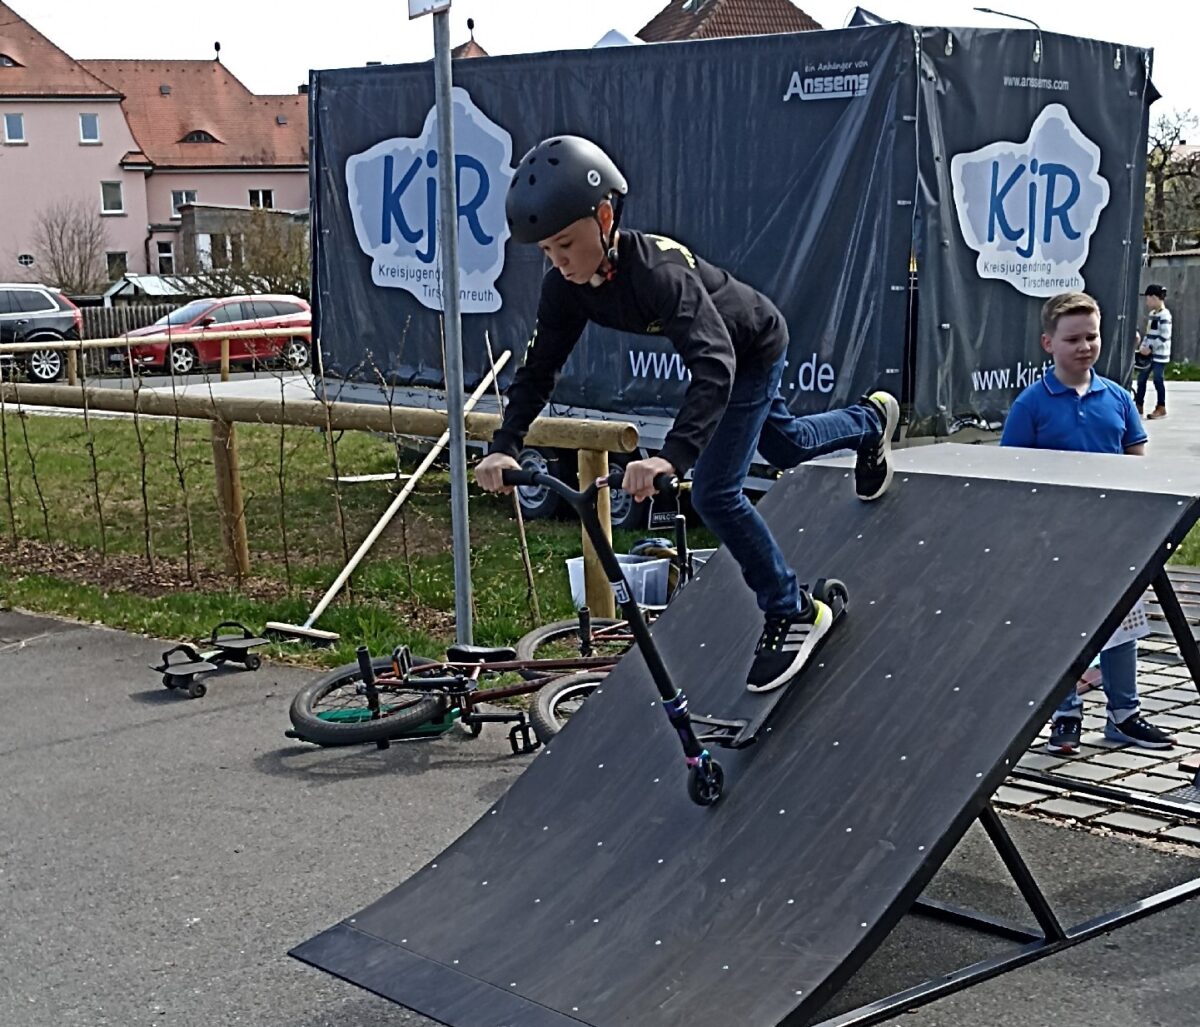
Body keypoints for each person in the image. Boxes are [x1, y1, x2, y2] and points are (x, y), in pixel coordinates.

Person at [474, 135, 899, 692]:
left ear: (605, 217)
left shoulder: (657, 274)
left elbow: (716, 364)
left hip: (751, 347)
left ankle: (793, 609)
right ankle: (871, 421)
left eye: (566, 245)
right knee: (787, 445)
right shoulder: (567, 288)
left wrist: (672, 457)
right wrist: (505, 442)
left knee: (715, 493)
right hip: (726, 353)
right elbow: (538, 370)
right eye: (547, 252)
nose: (559, 262)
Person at [1001, 291, 1174, 752]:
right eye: (1072, 338)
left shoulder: (1117, 398)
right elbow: (1010, 475)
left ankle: (1125, 713)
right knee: (1059, 628)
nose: (1084, 346)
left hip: (1112, 538)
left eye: (1091, 336)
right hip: (1054, 538)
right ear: (1048, 343)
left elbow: (1136, 460)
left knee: (1123, 622)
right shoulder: (1031, 405)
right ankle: (1064, 713)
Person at [1135, 284, 1172, 419]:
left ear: (1155, 297)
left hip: (1159, 355)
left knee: (1157, 379)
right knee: (1142, 379)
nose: (1147, 301)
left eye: (1148, 298)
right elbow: (1149, 334)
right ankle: (1138, 405)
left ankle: (1161, 407)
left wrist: (1151, 348)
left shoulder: (1165, 315)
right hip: (1149, 354)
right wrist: (1143, 346)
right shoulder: (1152, 315)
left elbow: (1164, 336)